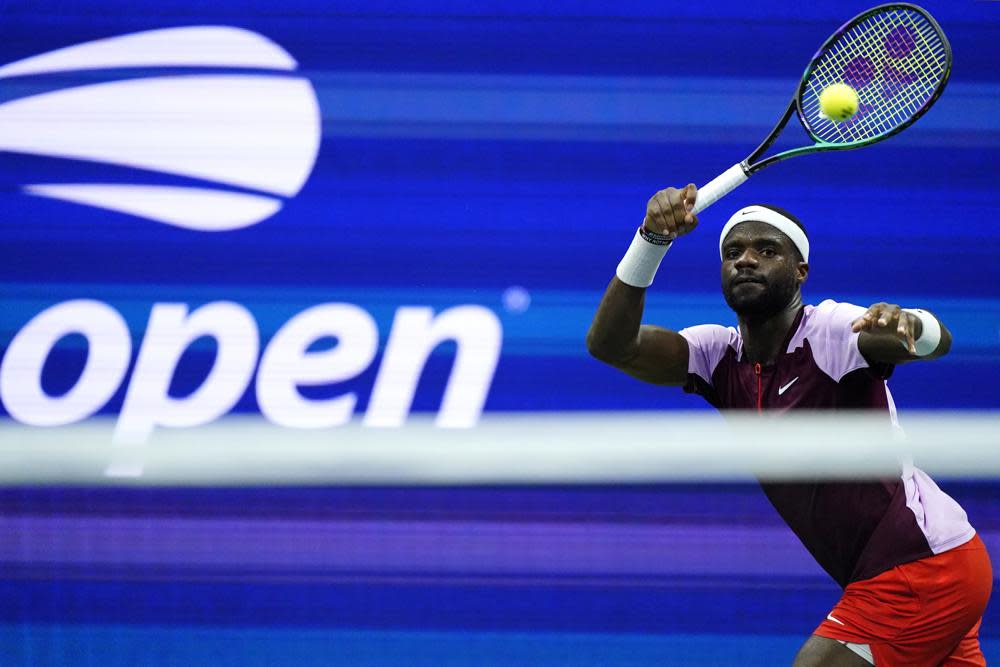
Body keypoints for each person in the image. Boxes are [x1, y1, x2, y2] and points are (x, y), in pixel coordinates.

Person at [586, 184, 992, 666]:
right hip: (917, 568)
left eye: (767, 250)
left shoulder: (832, 331)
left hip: (919, 566)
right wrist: (650, 239)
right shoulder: (718, 355)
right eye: (733, 251)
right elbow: (611, 345)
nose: (746, 260)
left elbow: (931, 341)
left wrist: (913, 323)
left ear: (800, 272)